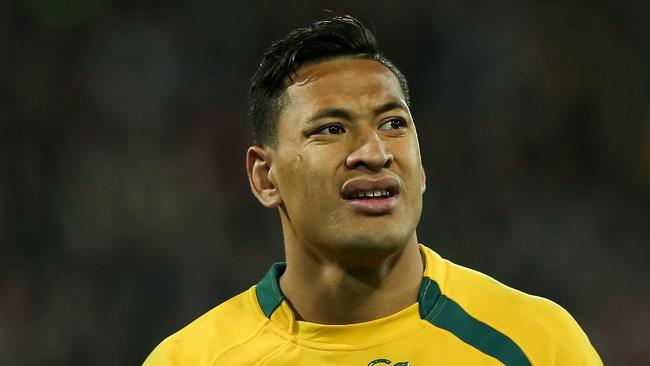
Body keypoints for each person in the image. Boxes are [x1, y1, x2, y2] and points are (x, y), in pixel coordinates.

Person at [144, 15, 602, 365]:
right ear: (265, 178)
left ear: (421, 166)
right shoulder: (190, 358)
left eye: (393, 123)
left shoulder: (537, 343)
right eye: (330, 128)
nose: (374, 150)